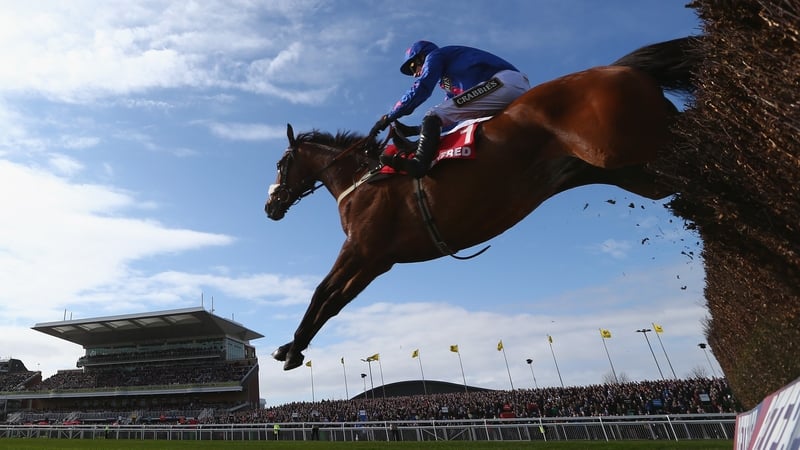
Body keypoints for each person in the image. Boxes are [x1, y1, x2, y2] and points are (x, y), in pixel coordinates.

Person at [370, 40, 530, 178]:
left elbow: (422, 88)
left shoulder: (435, 56)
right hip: (503, 88)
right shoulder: (447, 82)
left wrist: (389, 117)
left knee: (433, 114)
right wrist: (415, 130)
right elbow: (451, 118)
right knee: (447, 123)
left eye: (413, 66)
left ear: (422, 56)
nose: (414, 74)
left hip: (504, 83)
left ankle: (419, 164)